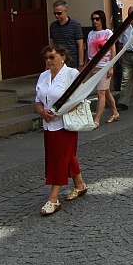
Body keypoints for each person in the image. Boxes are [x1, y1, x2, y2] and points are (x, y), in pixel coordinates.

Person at [34, 44, 87, 216]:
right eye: (46, 58)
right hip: (49, 124)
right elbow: (38, 99)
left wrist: (58, 112)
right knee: (65, 156)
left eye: (52, 57)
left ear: (62, 57)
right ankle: (79, 185)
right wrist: (42, 112)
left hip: (65, 124)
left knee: (59, 159)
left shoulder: (71, 74)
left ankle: (53, 198)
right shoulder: (43, 76)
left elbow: (79, 99)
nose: (49, 61)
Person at [87, 9, 119, 127]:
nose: (95, 21)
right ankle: (115, 112)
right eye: (93, 19)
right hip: (94, 65)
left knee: (100, 92)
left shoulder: (108, 33)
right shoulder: (91, 34)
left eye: (97, 19)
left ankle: (97, 120)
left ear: (102, 20)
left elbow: (113, 50)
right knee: (106, 91)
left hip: (105, 65)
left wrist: (111, 66)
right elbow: (88, 51)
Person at [49, 0, 85, 67]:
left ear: (65, 11)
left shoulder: (75, 25)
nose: (57, 16)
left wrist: (81, 63)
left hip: (71, 61)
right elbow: (51, 44)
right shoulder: (53, 26)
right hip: (57, 61)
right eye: (55, 13)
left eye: (59, 13)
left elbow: (80, 46)